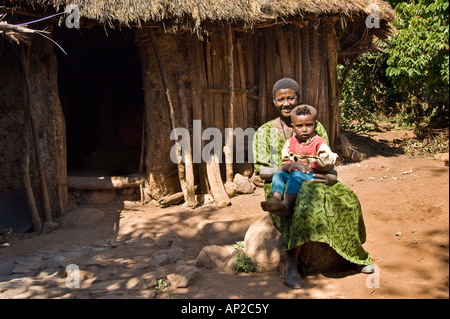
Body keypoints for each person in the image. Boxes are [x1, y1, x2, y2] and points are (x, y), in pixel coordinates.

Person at [252, 78, 374, 289]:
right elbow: (261, 171)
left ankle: (353, 254)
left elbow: (327, 161)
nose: (286, 103)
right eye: (281, 99)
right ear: (274, 101)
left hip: (315, 178)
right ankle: (292, 264)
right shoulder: (264, 132)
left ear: (298, 98)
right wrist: (286, 168)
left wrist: (333, 176)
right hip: (279, 184)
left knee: (348, 198)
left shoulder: (316, 128)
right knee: (305, 201)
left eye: (291, 98)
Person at [260, 104, 337, 217]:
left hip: (313, 175)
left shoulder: (319, 142)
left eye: (309, 125)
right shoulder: (291, 142)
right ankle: (276, 199)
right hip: (294, 174)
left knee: (296, 175)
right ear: (293, 126)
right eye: (299, 126)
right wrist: (289, 166)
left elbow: (327, 161)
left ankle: (286, 206)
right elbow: (286, 160)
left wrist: (313, 167)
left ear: (315, 125)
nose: (304, 129)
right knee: (279, 174)